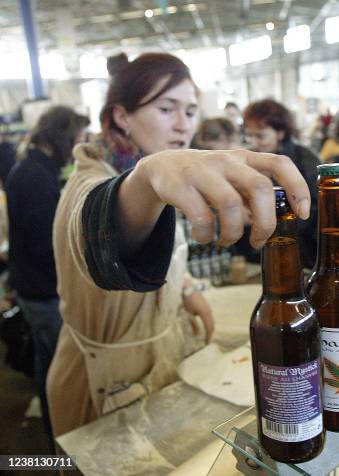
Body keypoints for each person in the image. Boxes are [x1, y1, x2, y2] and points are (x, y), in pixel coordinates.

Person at [46, 53, 311, 438]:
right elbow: (97, 229)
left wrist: (186, 288)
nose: (183, 124)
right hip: (99, 387)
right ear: (121, 116)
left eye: (190, 111)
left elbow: (164, 248)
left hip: (157, 365)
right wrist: (144, 179)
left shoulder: (159, 178)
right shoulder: (90, 182)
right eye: (166, 108)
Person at [5, 106, 90, 447]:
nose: (79, 146)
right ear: (61, 137)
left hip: (32, 286)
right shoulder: (34, 177)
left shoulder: (33, 169)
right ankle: (66, 435)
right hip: (43, 290)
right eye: (77, 139)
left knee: (49, 360)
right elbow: (45, 242)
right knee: (66, 369)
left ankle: (53, 423)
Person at [242, 98, 319, 268]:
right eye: (249, 135)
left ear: (280, 133)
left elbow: (313, 213)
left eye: (260, 136)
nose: (253, 142)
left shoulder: (306, 160)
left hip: (301, 253)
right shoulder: (251, 158)